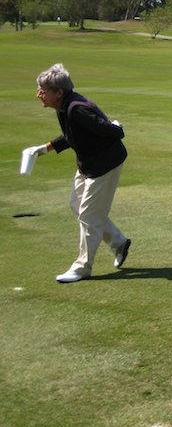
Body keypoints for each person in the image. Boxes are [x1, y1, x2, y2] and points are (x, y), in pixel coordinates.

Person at [25, 63, 131, 283]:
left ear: (59, 92)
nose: (38, 95)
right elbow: (71, 136)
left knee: (89, 215)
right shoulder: (66, 107)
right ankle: (119, 242)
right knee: (77, 205)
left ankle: (82, 267)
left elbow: (110, 131)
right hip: (88, 163)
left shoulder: (77, 109)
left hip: (104, 164)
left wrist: (117, 127)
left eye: (42, 91)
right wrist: (44, 149)